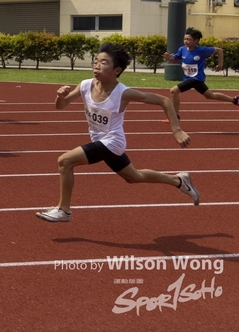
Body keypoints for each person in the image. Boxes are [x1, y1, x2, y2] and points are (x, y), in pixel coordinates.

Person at [36, 42, 199, 223]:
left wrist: (176, 130)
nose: (97, 65)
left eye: (104, 62)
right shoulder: (85, 85)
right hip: (99, 140)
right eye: (96, 61)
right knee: (134, 176)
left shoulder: (123, 93)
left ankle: (64, 210)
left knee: (65, 161)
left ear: (117, 70)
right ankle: (179, 180)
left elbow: (164, 101)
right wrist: (59, 97)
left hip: (113, 142)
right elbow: (61, 106)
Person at [162, 27, 238, 123]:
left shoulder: (202, 50)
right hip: (189, 78)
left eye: (188, 39)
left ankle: (175, 116)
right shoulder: (182, 49)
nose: (186, 41)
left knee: (174, 91)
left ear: (196, 41)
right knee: (210, 95)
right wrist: (169, 58)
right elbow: (175, 60)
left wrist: (220, 64)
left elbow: (219, 50)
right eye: (185, 39)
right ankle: (235, 100)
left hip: (197, 78)